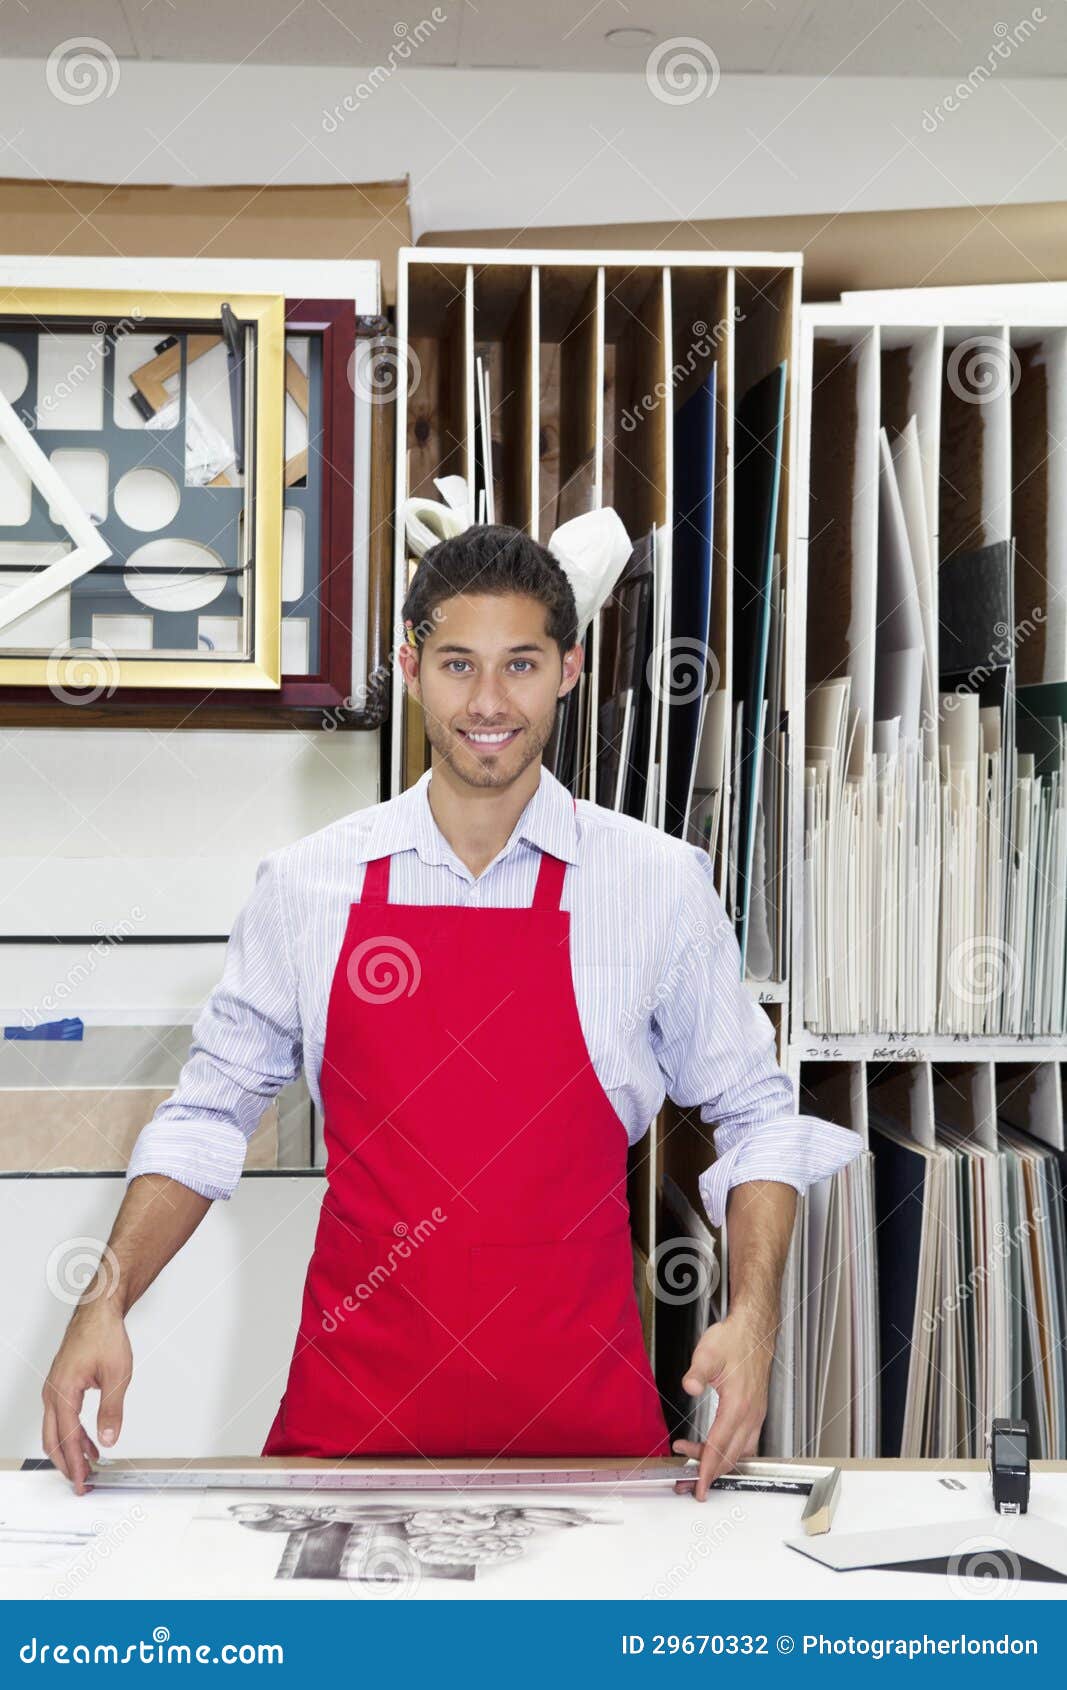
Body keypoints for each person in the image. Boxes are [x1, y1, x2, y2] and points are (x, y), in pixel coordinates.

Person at [41, 522, 860, 1501]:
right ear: (410, 667)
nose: (485, 701)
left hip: (589, 1450)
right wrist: (104, 1297)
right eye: (456, 663)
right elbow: (205, 1117)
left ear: (567, 669)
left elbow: (758, 1116)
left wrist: (754, 1312)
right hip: (352, 1438)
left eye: (519, 663)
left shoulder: (655, 885)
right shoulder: (307, 886)